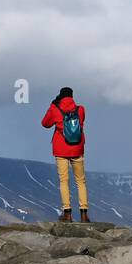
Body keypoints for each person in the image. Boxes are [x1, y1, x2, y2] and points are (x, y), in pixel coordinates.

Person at [42, 87, 89, 222]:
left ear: (60, 96)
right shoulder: (80, 110)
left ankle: (67, 214)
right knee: (80, 181)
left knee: (64, 181)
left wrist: (52, 105)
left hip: (61, 149)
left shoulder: (55, 109)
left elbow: (45, 124)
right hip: (77, 148)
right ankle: (84, 214)